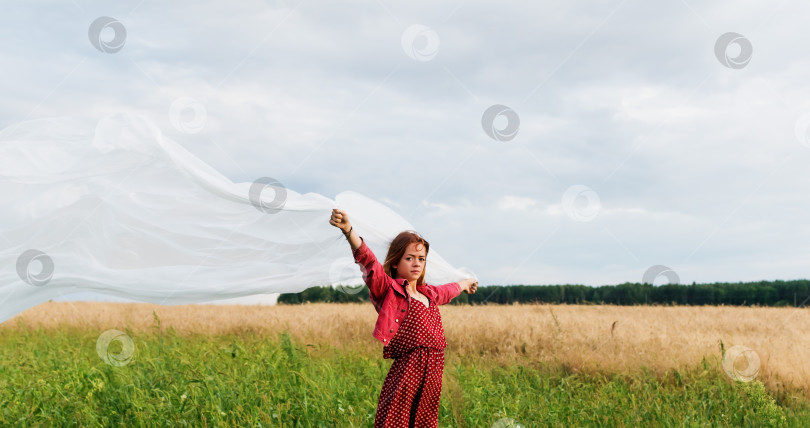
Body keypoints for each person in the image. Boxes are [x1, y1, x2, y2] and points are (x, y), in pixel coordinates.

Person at [329, 208, 478, 428]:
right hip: (407, 373)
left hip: (434, 373)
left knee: (425, 423)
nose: (417, 263)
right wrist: (348, 231)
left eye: (421, 258)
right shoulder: (390, 290)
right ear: (397, 262)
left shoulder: (429, 294)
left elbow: (449, 290)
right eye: (410, 258)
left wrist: (465, 284)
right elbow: (370, 263)